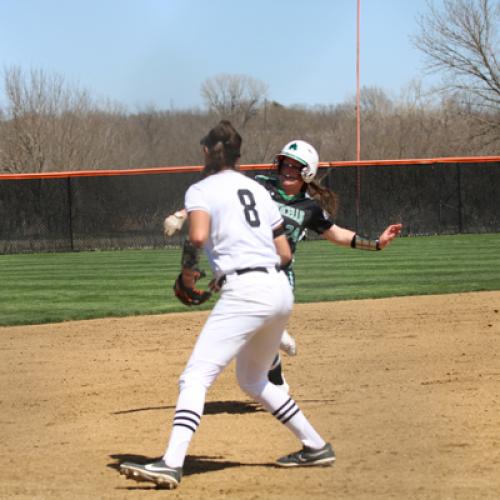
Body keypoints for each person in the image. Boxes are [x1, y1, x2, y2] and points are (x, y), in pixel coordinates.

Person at [120, 121, 335, 490]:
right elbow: (283, 253)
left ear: (206, 151)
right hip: (279, 288)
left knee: (195, 376)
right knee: (252, 380)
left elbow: (198, 235)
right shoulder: (257, 190)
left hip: (247, 289)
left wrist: (188, 276)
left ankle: (171, 463)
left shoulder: (201, 189)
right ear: (238, 156)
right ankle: (315, 445)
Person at [163, 140, 403, 392]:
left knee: (252, 324)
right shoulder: (259, 185)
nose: (287, 169)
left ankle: (275, 340)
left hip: (279, 275)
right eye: (285, 164)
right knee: (252, 332)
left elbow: (337, 235)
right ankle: (276, 366)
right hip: (243, 267)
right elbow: (216, 196)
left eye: (295, 166)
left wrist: (376, 243)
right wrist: (181, 215)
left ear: (307, 172)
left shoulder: (309, 208)